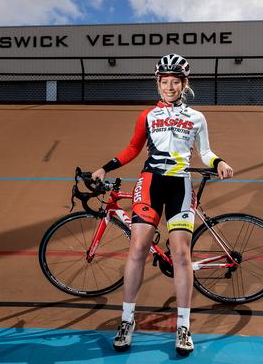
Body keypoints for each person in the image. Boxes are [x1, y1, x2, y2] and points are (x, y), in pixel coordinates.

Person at [91, 53, 233, 356]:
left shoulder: (197, 117)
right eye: (164, 82)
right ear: (158, 84)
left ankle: (183, 326)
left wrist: (219, 162)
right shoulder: (147, 116)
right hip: (151, 183)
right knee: (138, 248)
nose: (169, 87)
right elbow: (133, 148)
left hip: (180, 184)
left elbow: (205, 152)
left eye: (175, 82)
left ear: (184, 84)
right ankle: (127, 320)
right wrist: (106, 167)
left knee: (181, 253)